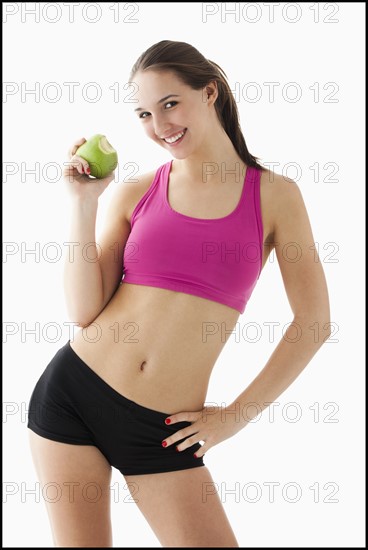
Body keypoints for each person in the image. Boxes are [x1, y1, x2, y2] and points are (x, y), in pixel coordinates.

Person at [27, 40, 331, 548]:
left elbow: (313, 322)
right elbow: (83, 311)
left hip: (164, 429)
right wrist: (83, 205)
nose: (159, 124)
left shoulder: (275, 196)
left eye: (170, 103)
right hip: (72, 394)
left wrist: (234, 417)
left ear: (208, 92)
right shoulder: (136, 191)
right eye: (144, 113)